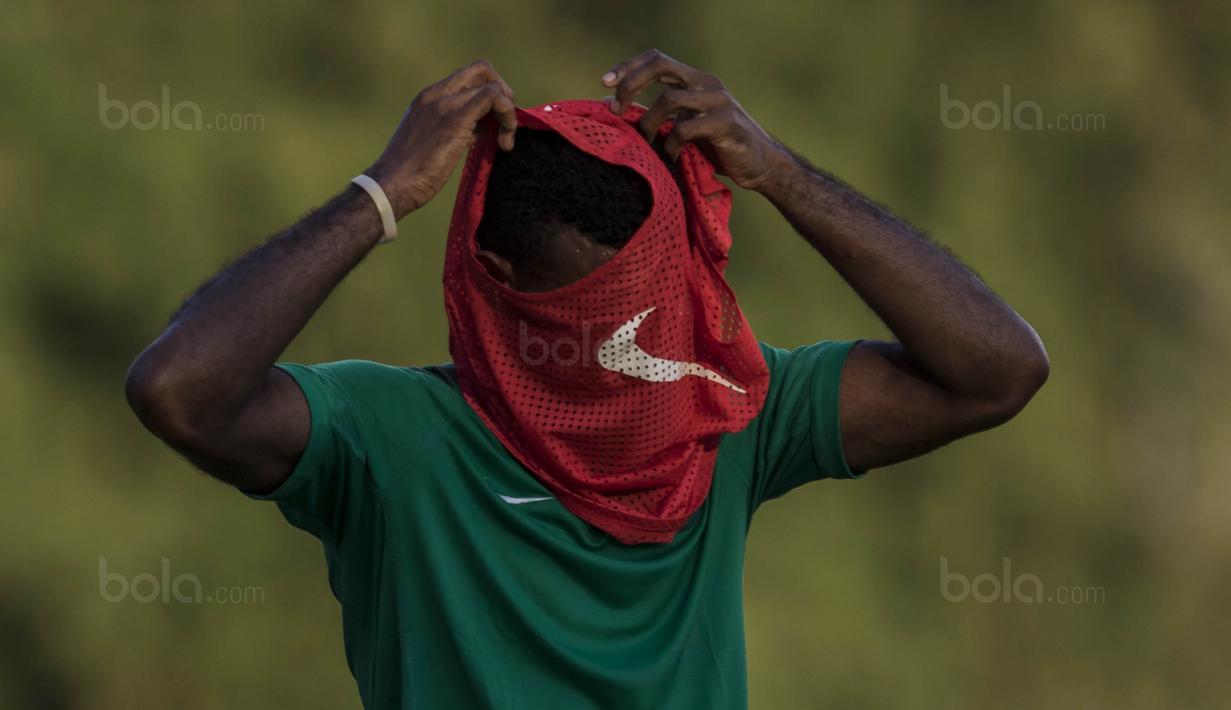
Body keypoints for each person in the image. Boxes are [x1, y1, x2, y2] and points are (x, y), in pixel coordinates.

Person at [126, 50, 1049, 709]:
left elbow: (994, 372)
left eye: (649, 307)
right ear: (496, 280)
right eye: (593, 319)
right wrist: (385, 191)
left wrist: (782, 174)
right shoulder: (390, 440)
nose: (623, 352)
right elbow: (180, 391)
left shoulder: (726, 409)